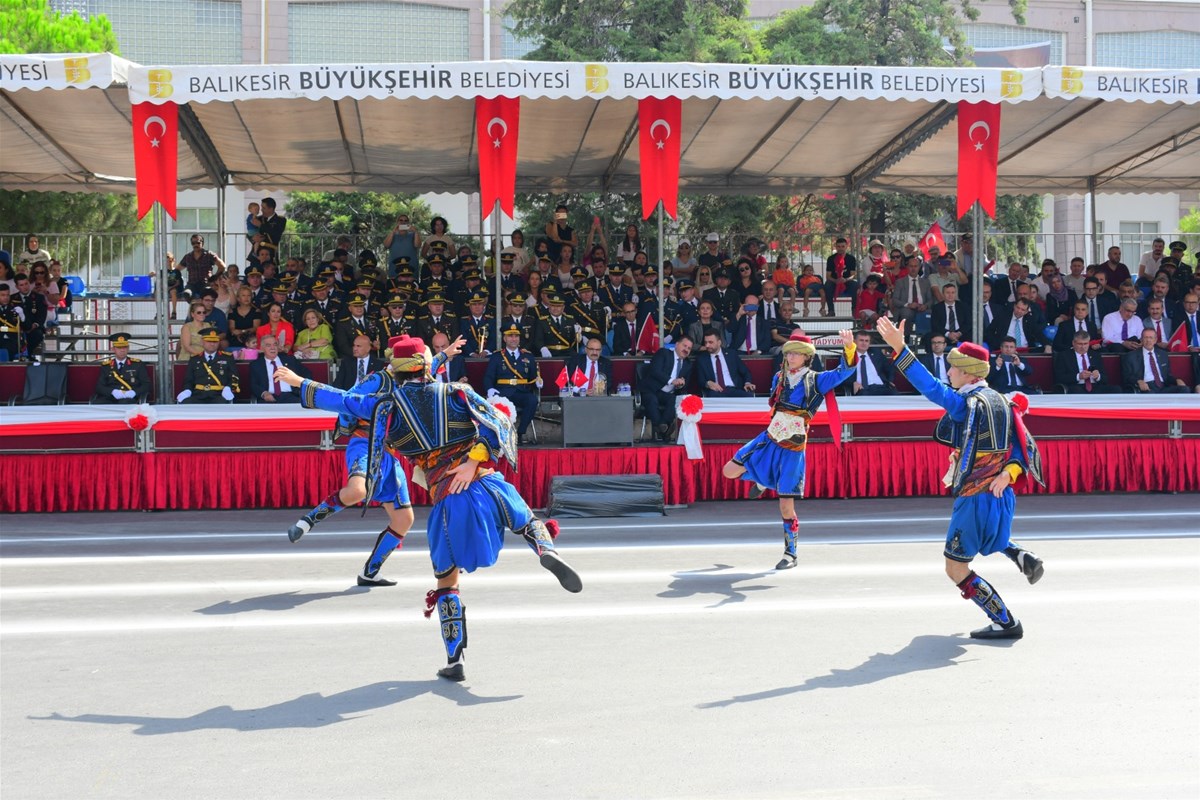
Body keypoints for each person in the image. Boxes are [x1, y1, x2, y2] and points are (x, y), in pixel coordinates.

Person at [276, 334, 582, 681]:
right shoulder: (456, 392)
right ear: (425, 367)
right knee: (526, 521)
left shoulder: (385, 408)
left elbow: (343, 399)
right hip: (486, 482)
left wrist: (299, 381)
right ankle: (545, 550)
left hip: (447, 499)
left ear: (396, 370)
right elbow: (499, 423)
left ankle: (455, 660)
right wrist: (473, 461)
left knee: (447, 583)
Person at [875, 317, 1046, 640]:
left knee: (955, 567)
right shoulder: (1002, 401)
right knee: (990, 539)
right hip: (1002, 495)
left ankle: (1005, 621)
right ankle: (1018, 554)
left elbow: (931, 388)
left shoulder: (966, 404)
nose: (949, 372)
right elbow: (1022, 448)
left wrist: (901, 349)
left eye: (953, 367)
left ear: (968, 373)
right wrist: (1008, 473)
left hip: (975, 497)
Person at [287, 335, 466, 586]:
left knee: (404, 519)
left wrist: (446, 353)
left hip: (390, 452)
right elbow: (346, 399)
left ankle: (370, 572)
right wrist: (300, 382)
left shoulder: (414, 381)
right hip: (366, 442)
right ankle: (309, 520)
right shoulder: (377, 380)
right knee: (357, 490)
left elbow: (428, 365)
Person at [722, 331, 857, 569]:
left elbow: (843, 372)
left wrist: (849, 348)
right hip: (769, 437)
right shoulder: (779, 377)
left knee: (786, 506)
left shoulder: (816, 380)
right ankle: (763, 480)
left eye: (796, 353)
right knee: (729, 470)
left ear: (806, 357)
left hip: (793, 447)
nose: (791, 357)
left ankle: (790, 554)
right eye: (789, 353)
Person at [484, 324, 542, 441]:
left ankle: (520, 433)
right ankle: (502, 436)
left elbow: (533, 377)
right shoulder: (497, 356)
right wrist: (489, 389)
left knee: (532, 400)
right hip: (503, 392)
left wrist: (538, 382)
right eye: (510, 336)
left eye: (516, 336)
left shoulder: (528, 356)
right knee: (497, 405)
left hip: (522, 392)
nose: (514, 339)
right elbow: (488, 377)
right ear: (504, 338)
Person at [641, 334, 695, 442]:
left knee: (675, 400)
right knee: (652, 400)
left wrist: (681, 384)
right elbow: (655, 371)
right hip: (651, 390)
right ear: (677, 344)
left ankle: (662, 426)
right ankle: (664, 431)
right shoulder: (664, 353)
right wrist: (672, 381)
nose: (686, 350)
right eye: (684, 346)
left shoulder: (688, 364)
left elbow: (684, 386)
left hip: (668, 394)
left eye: (689, 348)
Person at [176, 328, 239, 403]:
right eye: (209, 341)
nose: (212, 344)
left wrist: (229, 388)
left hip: (219, 395)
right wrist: (187, 390)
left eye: (215, 341)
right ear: (202, 342)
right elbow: (188, 380)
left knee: (223, 404)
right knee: (186, 403)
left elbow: (235, 378)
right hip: (198, 395)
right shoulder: (195, 359)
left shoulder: (227, 358)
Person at [1122, 326, 1189, 393]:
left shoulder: (1163, 354)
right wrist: (1138, 381)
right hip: (1146, 388)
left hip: (1163, 387)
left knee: (1184, 389)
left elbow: (1168, 376)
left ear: (1155, 340)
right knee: (1149, 394)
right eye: (1146, 337)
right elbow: (1127, 377)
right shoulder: (1131, 356)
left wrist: (1177, 380)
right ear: (1141, 340)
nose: (1148, 340)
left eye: (1151, 337)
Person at [92, 333, 151, 403]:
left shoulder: (137, 364)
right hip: (110, 397)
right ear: (113, 349)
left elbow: (146, 385)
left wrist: (134, 392)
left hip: (128, 398)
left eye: (124, 347)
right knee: (98, 403)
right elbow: (99, 387)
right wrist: (112, 392)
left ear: (128, 348)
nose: (122, 350)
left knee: (124, 403)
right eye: (119, 347)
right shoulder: (106, 366)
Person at [697, 329, 756, 397]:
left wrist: (747, 383)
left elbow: (745, 372)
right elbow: (700, 380)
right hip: (715, 392)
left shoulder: (731, 354)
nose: (707, 345)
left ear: (719, 342)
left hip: (734, 390)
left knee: (749, 396)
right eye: (705, 342)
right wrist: (708, 383)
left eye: (710, 342)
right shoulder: (702, 359)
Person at [251, 335, 309, 403]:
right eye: (268, 345)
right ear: (262, 348)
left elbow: (307, 373)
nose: (272, 348)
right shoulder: (256, 365)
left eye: (275, 344)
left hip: (291, 396)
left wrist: (302, 389)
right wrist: (264, 393)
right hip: (268, 398)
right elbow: (253, 385)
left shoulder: (290, 360)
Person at [850, 329, 897, 396]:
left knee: (894, 394)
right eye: (861, 340)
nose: (864, 343)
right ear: (854, 341)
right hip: (863, 389)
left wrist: (890, 380)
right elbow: (841, 376)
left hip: (881, 387)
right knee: (864, 395)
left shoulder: (876, 353)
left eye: (866, 341)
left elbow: (889, 368)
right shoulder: (849, 356)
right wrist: (852, 383)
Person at [823, 238, 858, 316]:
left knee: (855, 285)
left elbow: (853, 275)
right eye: (838, 246)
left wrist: (845, 279)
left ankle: (854, 310)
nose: (840, 248)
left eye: (842, 246)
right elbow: (828, 276)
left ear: (846, 247)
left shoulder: (851, 259)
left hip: (847, 281)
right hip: (834, 281)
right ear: (836, 247)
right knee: (827, 285)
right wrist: (835, 280)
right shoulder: (831, 259)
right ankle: (831, 311)